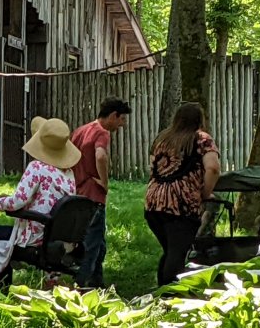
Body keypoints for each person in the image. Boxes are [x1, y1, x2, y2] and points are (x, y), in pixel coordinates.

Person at [0, 118, 80, 286]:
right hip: (55, 236)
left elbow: (17, 203)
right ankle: (1, 285)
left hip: (34, 237)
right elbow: (44, 199)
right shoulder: (68, 173)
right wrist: (1, 198)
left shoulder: (37, 167)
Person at [144, 102, 220, 287]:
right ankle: (171, 294)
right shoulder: (201, 139)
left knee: (171, 250)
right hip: (181, 205)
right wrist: (204, 193)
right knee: (177, 253)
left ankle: (161, 290)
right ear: (199, 120)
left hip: (153, 204)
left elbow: (153, 168)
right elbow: (213, 168)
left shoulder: (163, 139)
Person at [70, 97, 130, 288]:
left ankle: (97, 282)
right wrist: (104, 182)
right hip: (93, 194)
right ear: (114, 115)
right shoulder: (102, 132)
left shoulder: (80, 131)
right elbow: (101, 156)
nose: (122, 125)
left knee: (98, 243)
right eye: (122, 120)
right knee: (92, 244)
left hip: (76, 192)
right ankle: (83, 284)